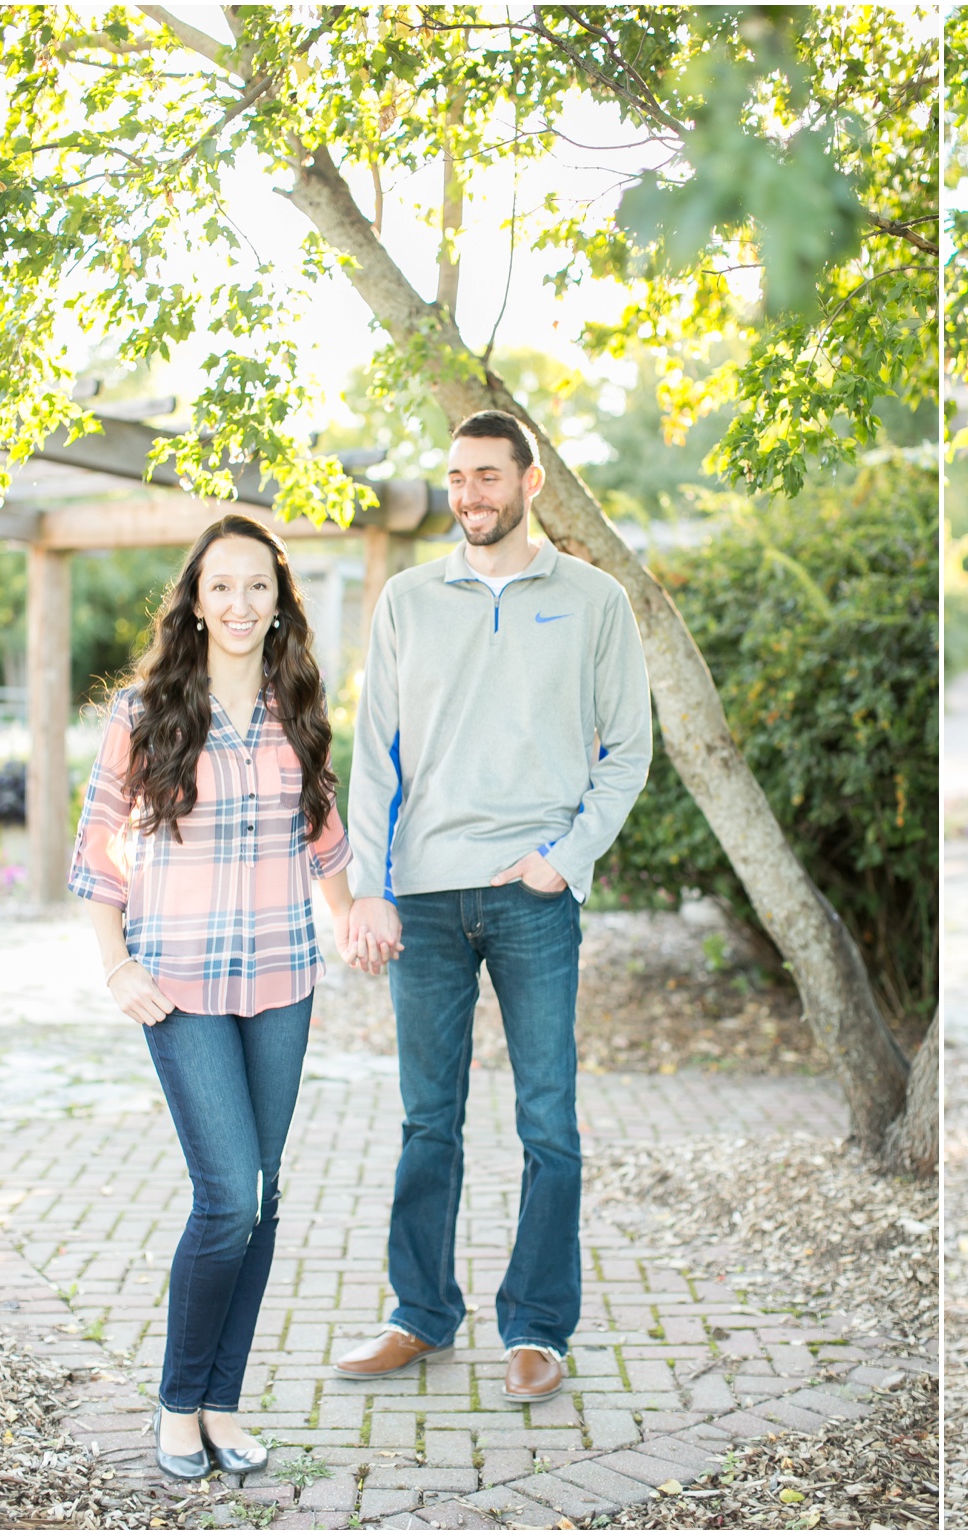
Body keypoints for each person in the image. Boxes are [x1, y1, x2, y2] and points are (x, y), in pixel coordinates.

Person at [330, 408, 652, 1404]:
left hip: (532, 894)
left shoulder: (594, 599)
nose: (468, 494)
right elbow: (374, 750)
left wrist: (565, 857)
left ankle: (537, 1326)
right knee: (430, 1119)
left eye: (486, 475)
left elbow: (626, 751)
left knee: (548, 1120)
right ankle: (420, 1313)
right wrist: (369, 887)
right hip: (421, 897)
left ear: (530, 480)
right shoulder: (407, 598)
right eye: (456, 477)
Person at [71, 514, 364, 1481]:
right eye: (222, 586)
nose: (240, 605)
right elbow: (100, 849)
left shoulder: (301, 707)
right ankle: (175, 1399)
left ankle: (222, 1404)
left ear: (280, 605)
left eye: (259, 588)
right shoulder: (143, 711)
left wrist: (355, 912)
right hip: (181, 987)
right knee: (227, 1195)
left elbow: (322, 829)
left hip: (283, 977)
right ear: (196, 598)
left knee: (266, 1197)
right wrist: (117, 965)